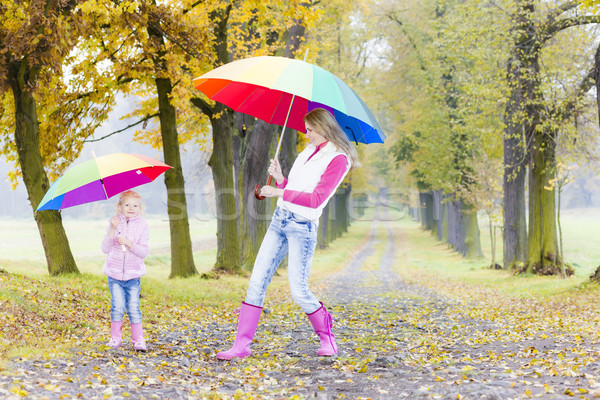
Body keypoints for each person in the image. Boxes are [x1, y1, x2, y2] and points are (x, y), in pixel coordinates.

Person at [217, 108, 360, 360]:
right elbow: (295, 189)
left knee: (299, 291)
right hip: (280, 221)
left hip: (302, 227)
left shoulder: (339, 159)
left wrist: (279, 192)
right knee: (257, 281)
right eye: (306, 129)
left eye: (311, 129)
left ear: (324, 128)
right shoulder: (307, 151)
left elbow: (316, 200)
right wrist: (281, 179)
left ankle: (327, 336)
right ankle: (241, 346)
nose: (307, 134)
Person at [101, 190, 149, 351]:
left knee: (134, 307)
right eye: (127, 204)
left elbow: (143, 252)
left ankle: (138, 340)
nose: (131, 208)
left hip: (133, 275)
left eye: (135, 205)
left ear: (140, 208)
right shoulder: (114, 222)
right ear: (119, 206)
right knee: (118, 306)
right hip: (114, 275)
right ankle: (115, 339)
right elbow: (105, 248)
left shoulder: (143, 225)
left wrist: (129, 243)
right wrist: (112, 230)